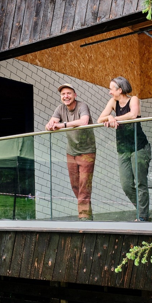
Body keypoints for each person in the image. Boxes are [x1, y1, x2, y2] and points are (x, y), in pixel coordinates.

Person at [98, 76, 152, 221]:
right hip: (123, 149)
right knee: (126, 185)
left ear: (120, 90)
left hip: (139, 147)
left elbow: (133, 114)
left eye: (111, 89)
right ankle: (143, 210)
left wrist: (114, 118)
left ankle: (143, 216)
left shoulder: (133, 99)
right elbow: (100, 119)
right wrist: (109, 117)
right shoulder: (113, 102)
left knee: (140, 182)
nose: (109, 92)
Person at [45, 83, 96, 220]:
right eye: (63, 94)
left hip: (87, 151)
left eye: (68, 93)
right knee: (75, 185)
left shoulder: (82, 106)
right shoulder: (60, 108)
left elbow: (84, 121)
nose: (66, 96)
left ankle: (84, 218)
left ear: (75, 95)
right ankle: (87, 214)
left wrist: (62, 125)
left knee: (84, 185)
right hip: (71, 152)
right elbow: (50, 124)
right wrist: (50, 125)